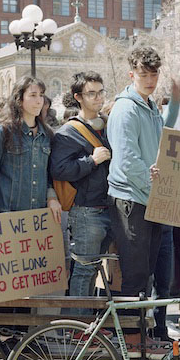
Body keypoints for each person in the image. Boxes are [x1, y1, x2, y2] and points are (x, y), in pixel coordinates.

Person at [0, 77, 63, 353]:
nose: (38, 100)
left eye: (41, 96)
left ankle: (21, 341)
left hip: (35, 224)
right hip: (7, 218)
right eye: (32, 95)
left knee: (29, 284)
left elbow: (49, 174)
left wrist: (51, 196)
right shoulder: (4, 132)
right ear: (20, 99)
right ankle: (5, 339)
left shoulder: (48, 135)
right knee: (7, 284)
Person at [106, 47, 179, 358]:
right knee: (135, 275)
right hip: (131, 201)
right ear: (131, 74)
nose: (150, 79)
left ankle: (139, 341)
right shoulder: (126, 110)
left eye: (154, 74)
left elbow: (161, 142)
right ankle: (129, 349)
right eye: (144, 74)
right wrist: (155, 187)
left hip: (150, 199)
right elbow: (127, 162)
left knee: (145, 273)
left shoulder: (149, 107)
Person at [49, 72, 112, 306]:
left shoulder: (107, 125)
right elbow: (59, 169)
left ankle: (85, 326)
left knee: (94, 269)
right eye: (91, 93)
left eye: (101, 92)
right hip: (86, 211)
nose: (98, 98)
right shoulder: (69, 132)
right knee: (84, 270)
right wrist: (91, 161)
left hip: (108, 206)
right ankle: (76, 325)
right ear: (78, 97)